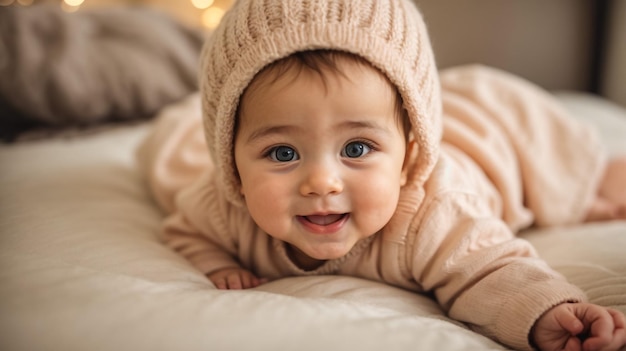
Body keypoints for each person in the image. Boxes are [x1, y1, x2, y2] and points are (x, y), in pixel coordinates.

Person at [137, 0, 626, 350]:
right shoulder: (221, 206)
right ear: (232, 165)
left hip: (497, 135)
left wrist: (544, 311)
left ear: (410, 157)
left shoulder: (433, 214)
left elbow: (491, 270)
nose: (321, 182)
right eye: (283, 152)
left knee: (572, 177)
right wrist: (217, 264)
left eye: (356, 148)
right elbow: (185, 229)